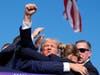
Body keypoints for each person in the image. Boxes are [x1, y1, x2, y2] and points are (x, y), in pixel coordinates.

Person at [17, 3, 88, 75]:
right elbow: (24, 48)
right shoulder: (32, 63)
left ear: (58, 52)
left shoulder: (72, 65)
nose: (49, 48)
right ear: (40, 52)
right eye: (46, 46)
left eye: (52, 46)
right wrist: (27, 17)